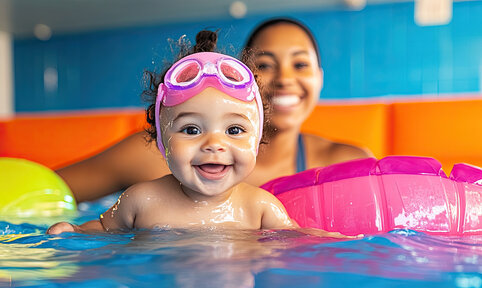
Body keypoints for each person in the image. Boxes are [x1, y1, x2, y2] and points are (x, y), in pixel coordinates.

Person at [56, 18, 371, 203]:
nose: (285, 79)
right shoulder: (152, 156)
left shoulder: (348, 167)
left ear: (319, 79)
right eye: (264, 65)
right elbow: (40, 195)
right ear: (240, 77)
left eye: (300, 65)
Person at [47, 31, 295, 234]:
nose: (214, 143)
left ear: (257, 141)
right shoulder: (141, 201)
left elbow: (299, 243)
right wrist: (74, 232)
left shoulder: (260, 208)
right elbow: (102, 227)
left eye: (234, 130)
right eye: (191, 129)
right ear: (162, 142)